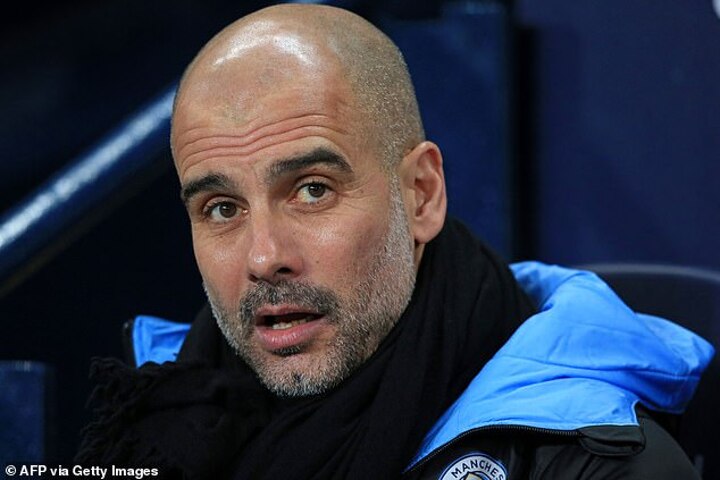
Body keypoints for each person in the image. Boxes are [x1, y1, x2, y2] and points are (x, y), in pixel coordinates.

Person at [77, 4, 714, 479]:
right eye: (221, 208)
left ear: (421, 196)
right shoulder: (150, 423)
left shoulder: (591, 467)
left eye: (312, 190)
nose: (265, 257)